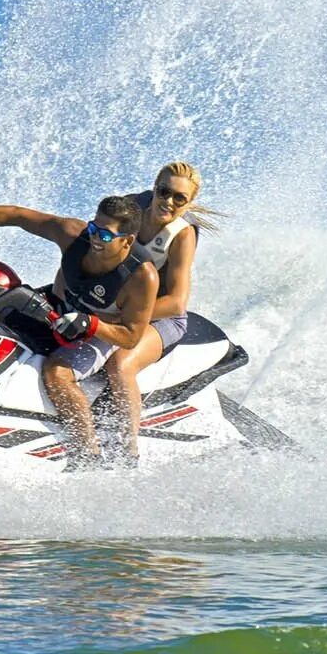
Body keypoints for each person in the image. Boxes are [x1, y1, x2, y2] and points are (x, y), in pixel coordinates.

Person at [0, 195, 156, 468]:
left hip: (101, 332)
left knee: (57, 373)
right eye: (93, 228)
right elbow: (17, 215)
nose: (95, 239)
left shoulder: (142, 278)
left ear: (127, 240)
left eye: (105, 235)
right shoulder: (73, 235)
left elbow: (132, 336)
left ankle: (88, 456)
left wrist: (92, 324)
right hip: (57, 309)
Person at [104, 161, 219, 462]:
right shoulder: (129, 210)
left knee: (119, 365)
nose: (168, 201)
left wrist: (121, 317)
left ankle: (126, 452)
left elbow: (177, 302)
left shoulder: (183, 236)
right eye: (163, 192)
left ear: (189, 203)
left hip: (163, 317)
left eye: (179, 198)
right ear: (153, 188)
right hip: (119, 305)